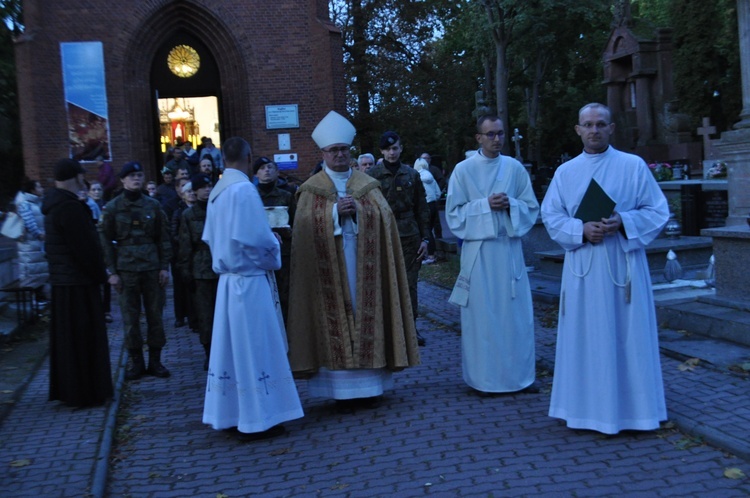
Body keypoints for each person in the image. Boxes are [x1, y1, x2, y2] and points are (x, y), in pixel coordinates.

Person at [540, 103, 669, 434]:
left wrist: (623, 221)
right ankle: (583, 411)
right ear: (578, 129)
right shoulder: (566, 172)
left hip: (622, 266)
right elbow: (551, 216)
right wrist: (579, 230)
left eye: (600, 124)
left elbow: (657, 211)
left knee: (627, 335)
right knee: (586, 336)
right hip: (584, 266)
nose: (594, 130)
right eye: (588, 124)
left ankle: (635, 413)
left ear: (612, 128)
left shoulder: (632, 166)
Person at [287, 111, 420, 411]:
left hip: (364, 263)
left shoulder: (367, 185)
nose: (340, 155)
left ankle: (371, 386)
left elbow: (385, 218)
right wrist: (333, 214)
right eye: (334, 151)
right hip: (329, 270)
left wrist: (360, 212)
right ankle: (340, 391)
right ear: (323, 153)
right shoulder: (310, 189)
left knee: (367, 312)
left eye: (344, 150)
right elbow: (304, 228)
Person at [201, 137, 303, 441]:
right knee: (255, 350)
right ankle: (260, 418)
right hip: (249, 283)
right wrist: (274, 242)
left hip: (228, 284)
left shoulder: (217, 192)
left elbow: (211, 238)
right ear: (248, 158)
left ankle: (232, 414)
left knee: (234, 352)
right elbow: (256, 241)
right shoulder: (243, 189)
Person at [445, 115, 540, 395]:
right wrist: (485, 205)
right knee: (482, 319)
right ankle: (483, 380)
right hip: (480, 254)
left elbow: (531, 207)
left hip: (508, 251)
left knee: (516, 318)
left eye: (500, 134)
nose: (496, 139)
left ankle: (520, 378)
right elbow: (454, 215)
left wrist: (511, 205)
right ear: (479, 138)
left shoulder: (514, 168)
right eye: (490, 134)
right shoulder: (463, 171)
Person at [42, 158, 113, 407]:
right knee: (83, 341)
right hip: (79, 285)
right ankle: (85, 391)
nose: (85, 179)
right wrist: (101, 276)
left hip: (63, 284)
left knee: (68, 342)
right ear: (75, 177)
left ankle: (71, 390)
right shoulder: (70, 208)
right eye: (82, 176)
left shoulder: (53, 205)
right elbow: (85, 250)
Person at [100, 161, 172, 381]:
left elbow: (163, 237)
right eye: (131, 176)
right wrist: (111, 271)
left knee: (155, 316)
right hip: (126, 270)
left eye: (139, 175)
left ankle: (156, 361)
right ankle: (136, 362)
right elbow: (104, 240)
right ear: (122, 180)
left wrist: (164, 267)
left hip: (151, 269)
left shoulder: (153, 205)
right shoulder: (113, 208)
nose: (136, 179)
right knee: (130, 319)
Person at [368, 131, 431, 346]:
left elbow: (422, 208)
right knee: (383, 283)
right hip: (381, 235)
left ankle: (410, 328)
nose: (392, 152)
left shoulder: (412, 174)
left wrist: (425, 239)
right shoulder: (372, 176)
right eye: (387, 149)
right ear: (381, 151)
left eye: (395, 148)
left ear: (401, 149)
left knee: (410, 284)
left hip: (409, 236)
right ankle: (387, 330)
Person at [177, 174, 217, 370]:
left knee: (223, 315)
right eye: (203, 187)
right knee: (205, 315)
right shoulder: (189, 215)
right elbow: (184, 245)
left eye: (209, 186)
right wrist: (185, 271)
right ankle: (209, 353)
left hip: (221, 267)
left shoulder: (219, 210)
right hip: (200, 270)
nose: (207, 190)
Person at [253, 156, 296, 323]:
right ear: (256, 174)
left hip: (283, 253)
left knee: (285, 295)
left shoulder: (286, 196)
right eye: (262, 168)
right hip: (260, 256)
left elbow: (295, 222)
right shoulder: (252, 197)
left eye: (270, 167)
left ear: (277, 172)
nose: (267, 171)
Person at [14, 179, 49, 302]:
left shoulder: (36, 202)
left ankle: (39, 295)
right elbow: (29, 221)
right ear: (32, 190)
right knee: (32, 271)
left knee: (39, 270)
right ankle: (35, 298)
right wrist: (39, 234)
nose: (42, 189)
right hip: (30, 244)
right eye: (39, 187)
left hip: (36, 244)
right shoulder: (25, 203)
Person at [413, 158, 442, 264]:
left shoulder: (416, 176)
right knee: (430, 229)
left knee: (426, 230)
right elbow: (438, 193)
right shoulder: (431, 177)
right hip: (433, 204)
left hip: (425, 205)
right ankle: (431, 254)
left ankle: (429, 255)